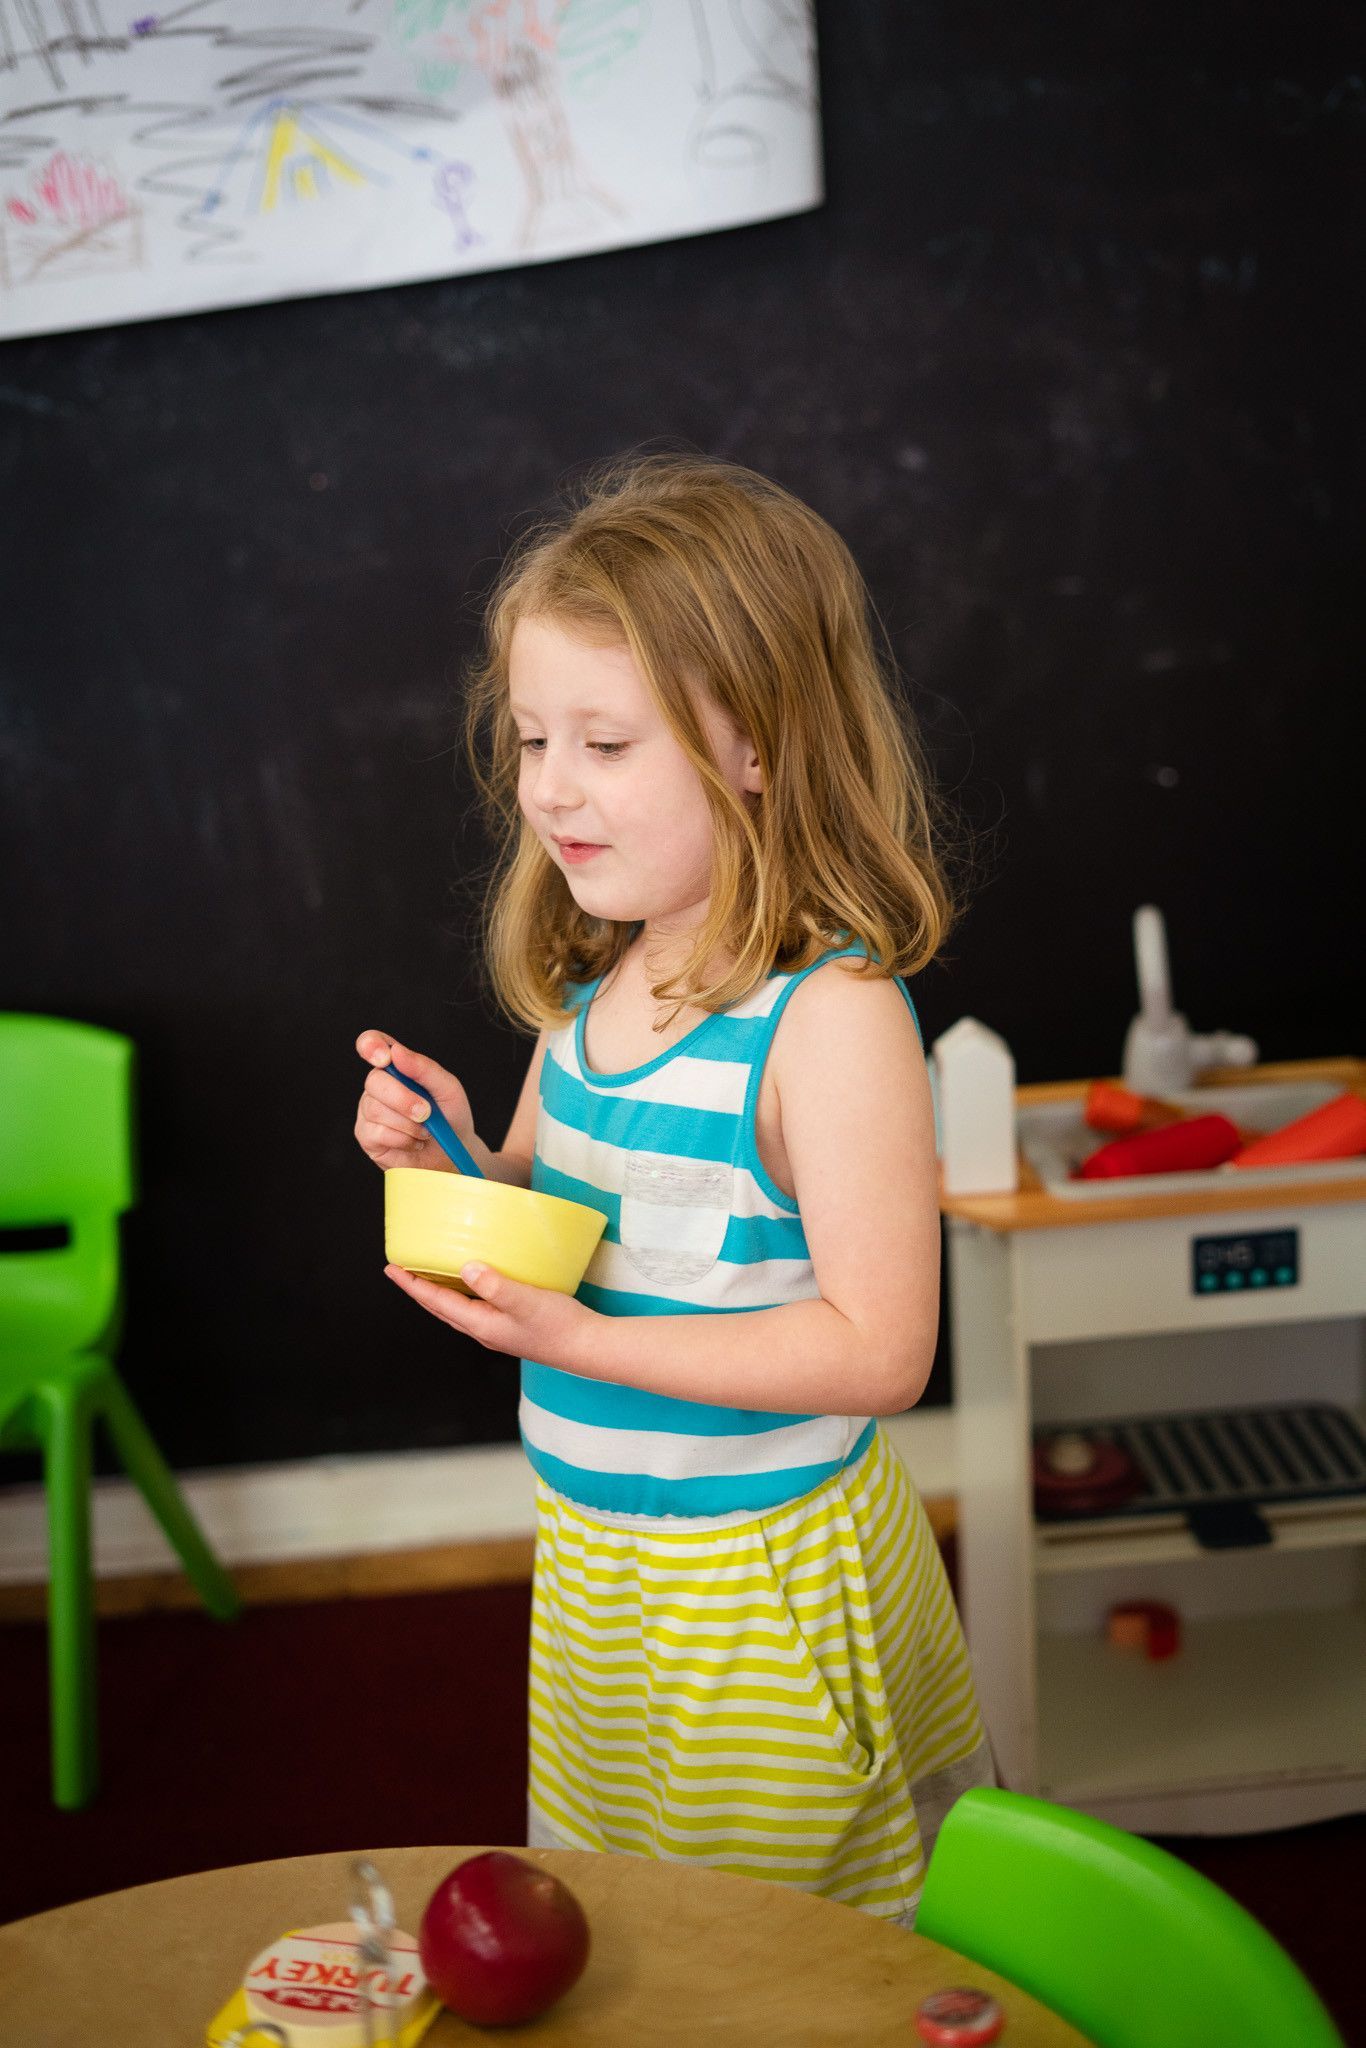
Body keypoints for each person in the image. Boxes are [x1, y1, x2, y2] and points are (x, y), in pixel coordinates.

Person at [353, 452, 993, 1926]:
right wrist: (455, 1156)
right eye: (529, 740)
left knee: (795, 1952)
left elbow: (880, 1351)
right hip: (600, 1567)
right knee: (641, 1915)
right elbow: (564, 1214)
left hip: (756, 1593)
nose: (550, 790)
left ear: (758, 743)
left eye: (605, 744)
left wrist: (571, 1342)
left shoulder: (824, 1017)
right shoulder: (593, 978)